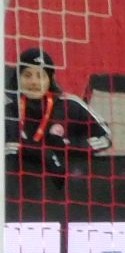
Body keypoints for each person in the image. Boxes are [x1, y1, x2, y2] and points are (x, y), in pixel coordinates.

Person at [7, 45, 109, 192]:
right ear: (18, 78)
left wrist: (67, 145)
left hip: (64, 190)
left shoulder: (70, 105)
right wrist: (40, 152)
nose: (34, 82)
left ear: (50, 79)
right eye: (27, 75)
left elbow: (105, 137)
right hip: (16, 190)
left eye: (40, 76)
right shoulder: (6, 109)